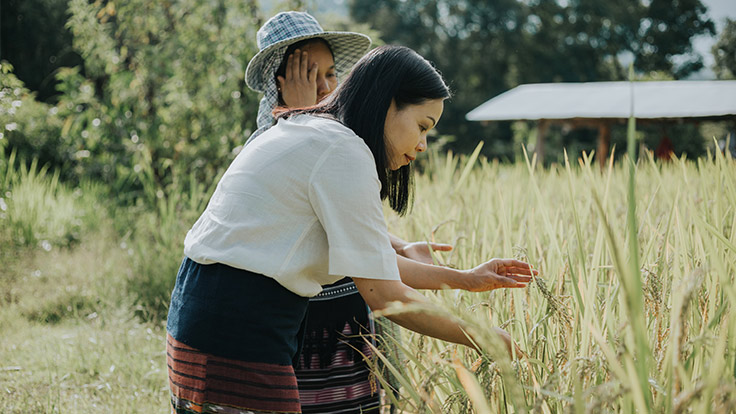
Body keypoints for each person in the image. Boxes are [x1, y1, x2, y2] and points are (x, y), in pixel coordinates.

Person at [166, 43, 537, 414]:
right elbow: (383, 294)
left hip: (199, 315)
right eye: (422, 126)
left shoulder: (309, 130)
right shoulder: (344, 152)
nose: (423, 145)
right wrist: (483, 335)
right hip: (239, 328)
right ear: (387, 102)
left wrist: (464, 279)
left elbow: (371, 268)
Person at [243, 11, 456, 413]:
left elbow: (350, 225)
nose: (324, 87)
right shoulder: (276, 143)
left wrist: (401, 246)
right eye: (311, 74)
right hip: (302, 320)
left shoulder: (340, 143)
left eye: (330, 74)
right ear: (280, 82)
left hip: (348, 308)